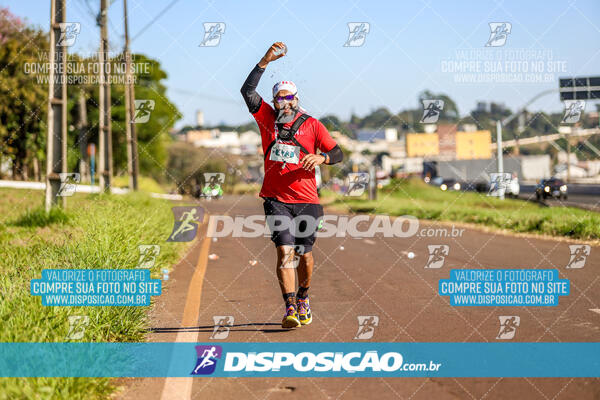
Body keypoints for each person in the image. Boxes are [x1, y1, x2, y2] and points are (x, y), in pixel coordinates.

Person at [240, 42, 344, 328]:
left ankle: (303, 297)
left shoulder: (313, 125)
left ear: (297, 99)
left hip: (308, 201)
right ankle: (289, 308)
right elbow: (247, 92)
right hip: (276, 199)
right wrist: (264, 60)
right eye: (280, 99)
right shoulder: (266, 121)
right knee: (285, 250)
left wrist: (321, 157)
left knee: (304, 255)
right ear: (274, 103)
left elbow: (338, 153)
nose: (285, 103)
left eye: (290, 98)